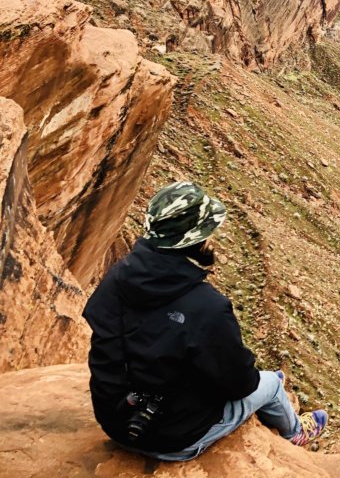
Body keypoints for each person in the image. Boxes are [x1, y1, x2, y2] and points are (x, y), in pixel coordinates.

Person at [83, 181, 327, 460]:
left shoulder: (115, 280)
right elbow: (239, 384)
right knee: (270, 384)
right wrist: (252, 377)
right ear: (193, 238)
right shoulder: (207, 307)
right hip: (173, 438)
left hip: (114, 421)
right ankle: (295, 432)